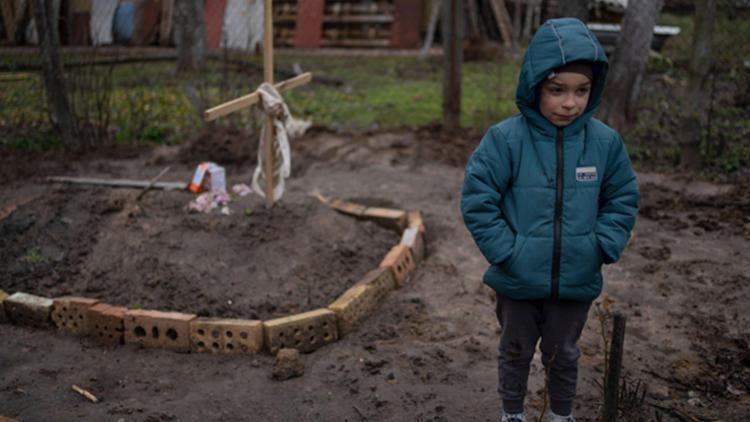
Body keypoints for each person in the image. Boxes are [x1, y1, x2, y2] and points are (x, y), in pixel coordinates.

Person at [460, 18, 639, 422]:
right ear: (534, 85)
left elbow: (623, 198)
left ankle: (561, 416)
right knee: (515, 350)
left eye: (581, 91)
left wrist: (600, 246)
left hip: (576, 279)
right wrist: (507, 251)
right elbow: (477, 199)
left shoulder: (605, 143)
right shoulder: (505, 140)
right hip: (517, 280)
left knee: (564, 354)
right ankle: (512, 414)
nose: (569, 103)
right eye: (557, 90)